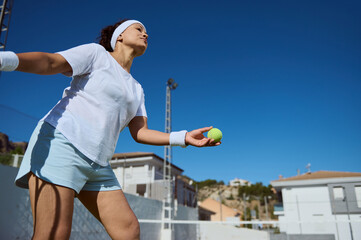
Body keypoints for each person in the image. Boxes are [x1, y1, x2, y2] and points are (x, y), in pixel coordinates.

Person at [0, 19, 221, 239]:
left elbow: (140, 132)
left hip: (98, 165)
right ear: (120, 35)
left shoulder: (137, 89)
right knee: (53, 234)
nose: (146, 34)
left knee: (128, 230)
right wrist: (5, 59)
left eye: (146, 32)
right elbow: (51, 62)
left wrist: (183, 137)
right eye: (139, 29)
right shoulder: (96, 54)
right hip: (62, 144)